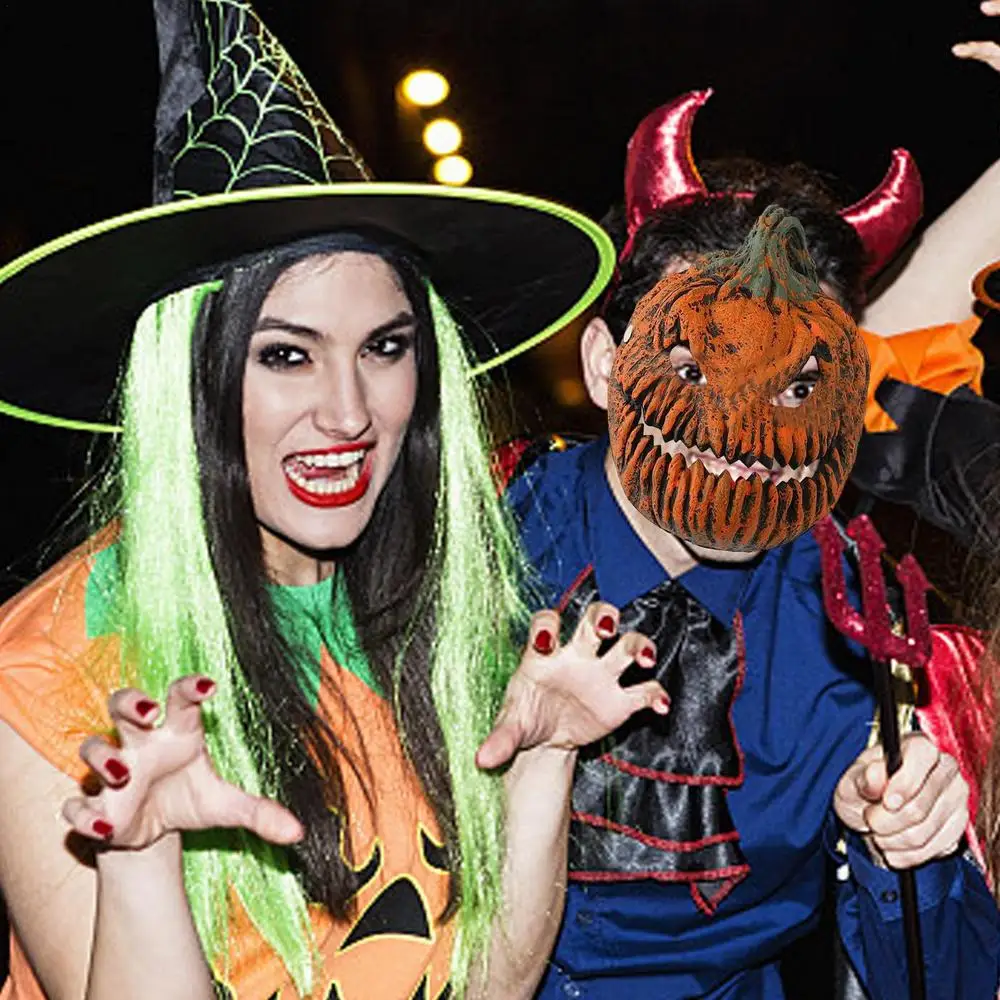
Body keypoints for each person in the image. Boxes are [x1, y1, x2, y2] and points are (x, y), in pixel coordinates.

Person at [0, 3, 668, 999]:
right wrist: (140, 865)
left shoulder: (439, 622)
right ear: (188, 381)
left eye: (385, 347)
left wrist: (545, 764)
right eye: (286, 355)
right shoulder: (46, 670)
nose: (350, 412)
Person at [495, 18, 1000, 996]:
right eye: (696, 366)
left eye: (794, 385)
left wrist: (903, 847)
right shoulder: (474, 544)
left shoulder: (859, 626)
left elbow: (945, 981)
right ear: (604, 365)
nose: (748, 425)